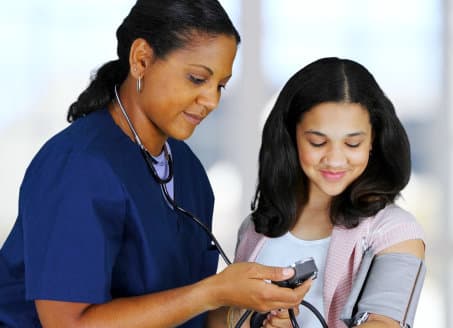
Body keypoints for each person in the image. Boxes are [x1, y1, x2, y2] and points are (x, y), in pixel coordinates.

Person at [0, 1, 311, 327]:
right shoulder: (77, 167)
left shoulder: (190, 173)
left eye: (220, 85)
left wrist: (243, 317)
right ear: (141, 60)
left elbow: (184, 314)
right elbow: (69, 324)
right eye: (196, 78)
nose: (212, 101)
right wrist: (212, 292)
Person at [215, 57, 426, 328]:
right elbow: (225, 317)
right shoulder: (258, 227)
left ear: (373, 140)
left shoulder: (396, 231)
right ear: (291, 137)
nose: (335, 159)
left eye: (353, 143)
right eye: (318, 142)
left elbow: (384, 323)